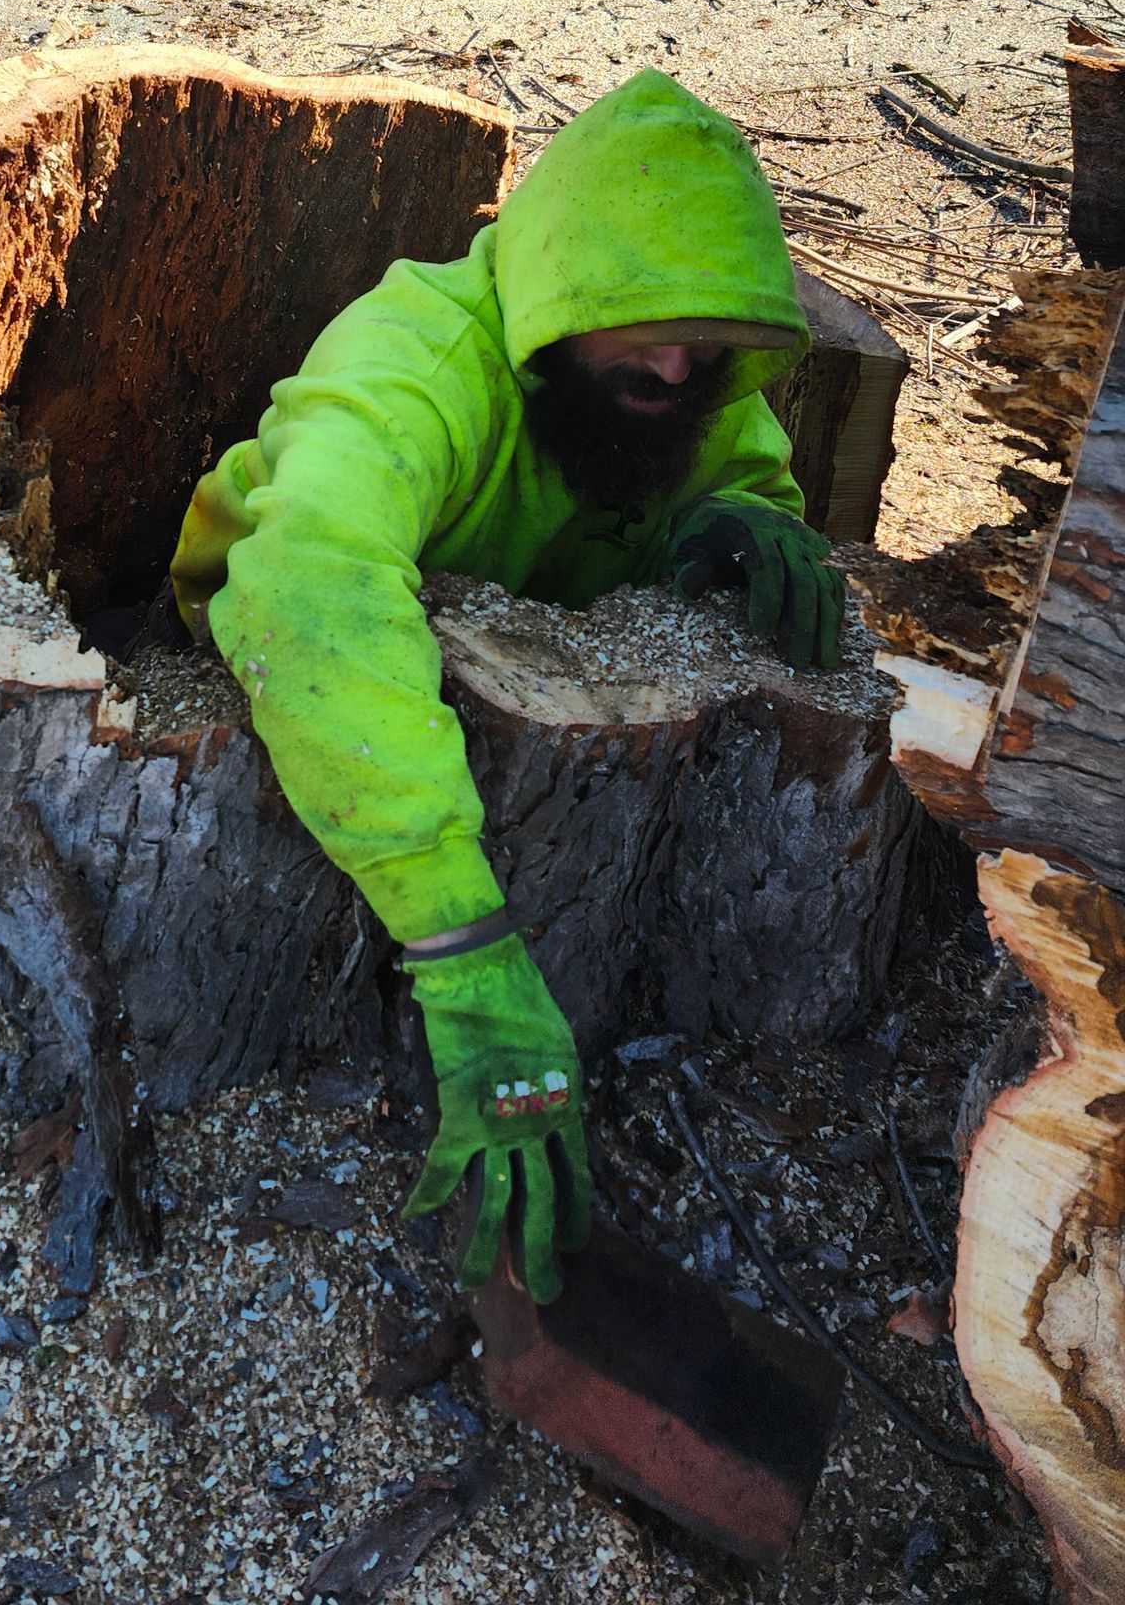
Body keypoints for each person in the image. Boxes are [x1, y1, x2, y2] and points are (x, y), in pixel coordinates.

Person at [169, 70, 845, 1305]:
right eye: (644, 314)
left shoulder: (674, 381)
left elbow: (745, 455)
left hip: (522, 729)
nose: (679, 358)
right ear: (562, 285)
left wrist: (753, 516)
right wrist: (468, 949)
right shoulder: (420, 356)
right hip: (290, 700)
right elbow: (304, 584)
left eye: (710, 334)